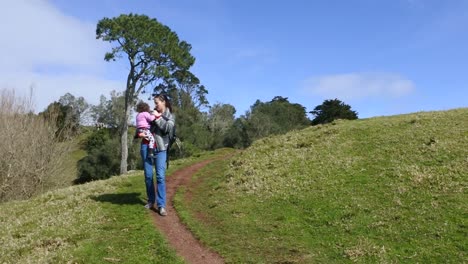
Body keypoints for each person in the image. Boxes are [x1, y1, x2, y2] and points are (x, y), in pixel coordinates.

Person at [140, 94, 175, 216]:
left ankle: (161, 205)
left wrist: (156, 118)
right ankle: (151, 201)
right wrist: (140, 134)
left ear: (164, 102)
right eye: (154, 103)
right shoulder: (149, 113)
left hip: (161, 149)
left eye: (157, 103)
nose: (155, 105)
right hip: (146, 147)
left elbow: (167, 129)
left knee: (160, 176)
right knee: (148, 176)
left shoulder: (170, 116)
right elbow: (140, 125)